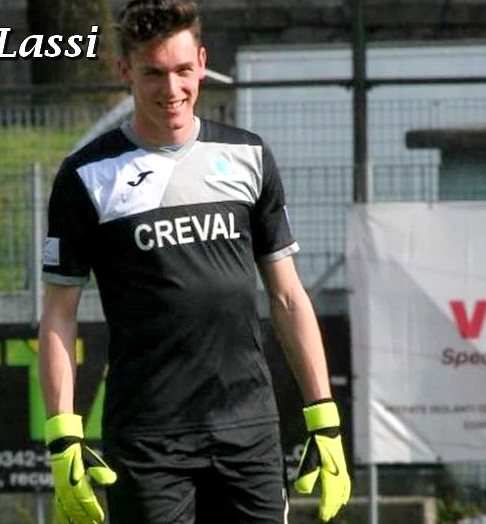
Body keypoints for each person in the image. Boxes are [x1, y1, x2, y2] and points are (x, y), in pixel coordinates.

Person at [38, 0, 351, 522]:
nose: (172, 88)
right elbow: (58, 315)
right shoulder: (87, 176)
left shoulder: (249, 157)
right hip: (148, 439)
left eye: (184, 70)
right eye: (153, 73)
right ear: (125, 71)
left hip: (249, 429)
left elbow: (287, 296)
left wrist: (324, 418)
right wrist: (62, 435)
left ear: (203, 63)